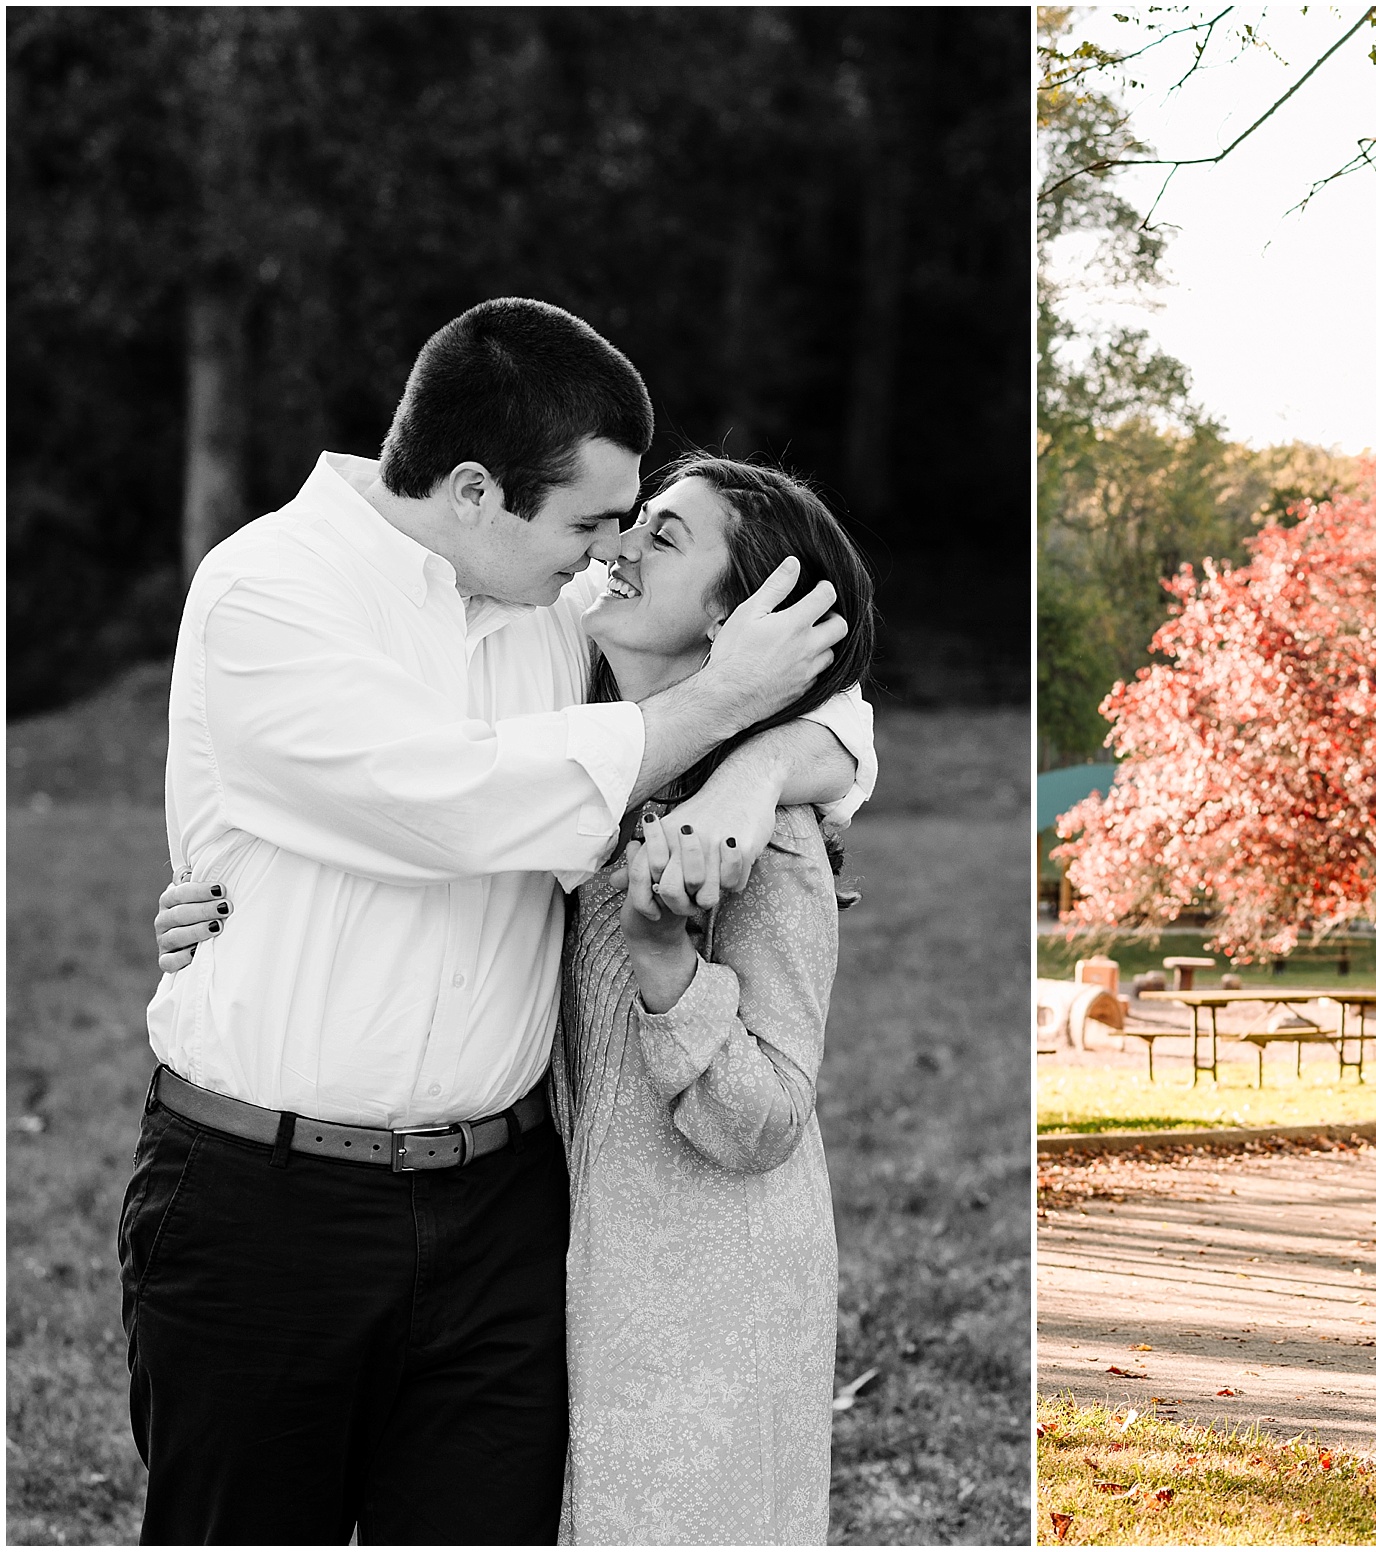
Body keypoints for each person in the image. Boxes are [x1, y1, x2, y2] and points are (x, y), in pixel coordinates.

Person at [128, 298, 873, 1545]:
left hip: (503, 1222)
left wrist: (758, 765)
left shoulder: (543, 605)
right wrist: (726, 708)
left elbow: (825, 689)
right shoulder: (270, 590)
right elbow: (455, 803)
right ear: (475, 492)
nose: (608, 552)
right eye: (590, 523)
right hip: (268, 1205)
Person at [553, 456, 871, 1542]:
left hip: (704, 1311)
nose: (623, 545)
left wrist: (667, 972)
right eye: (636, 520)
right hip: (568, 1284)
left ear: (739, 619)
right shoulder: (580, 751)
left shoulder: (766, 836)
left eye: (665, 537)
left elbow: (768, 1116)